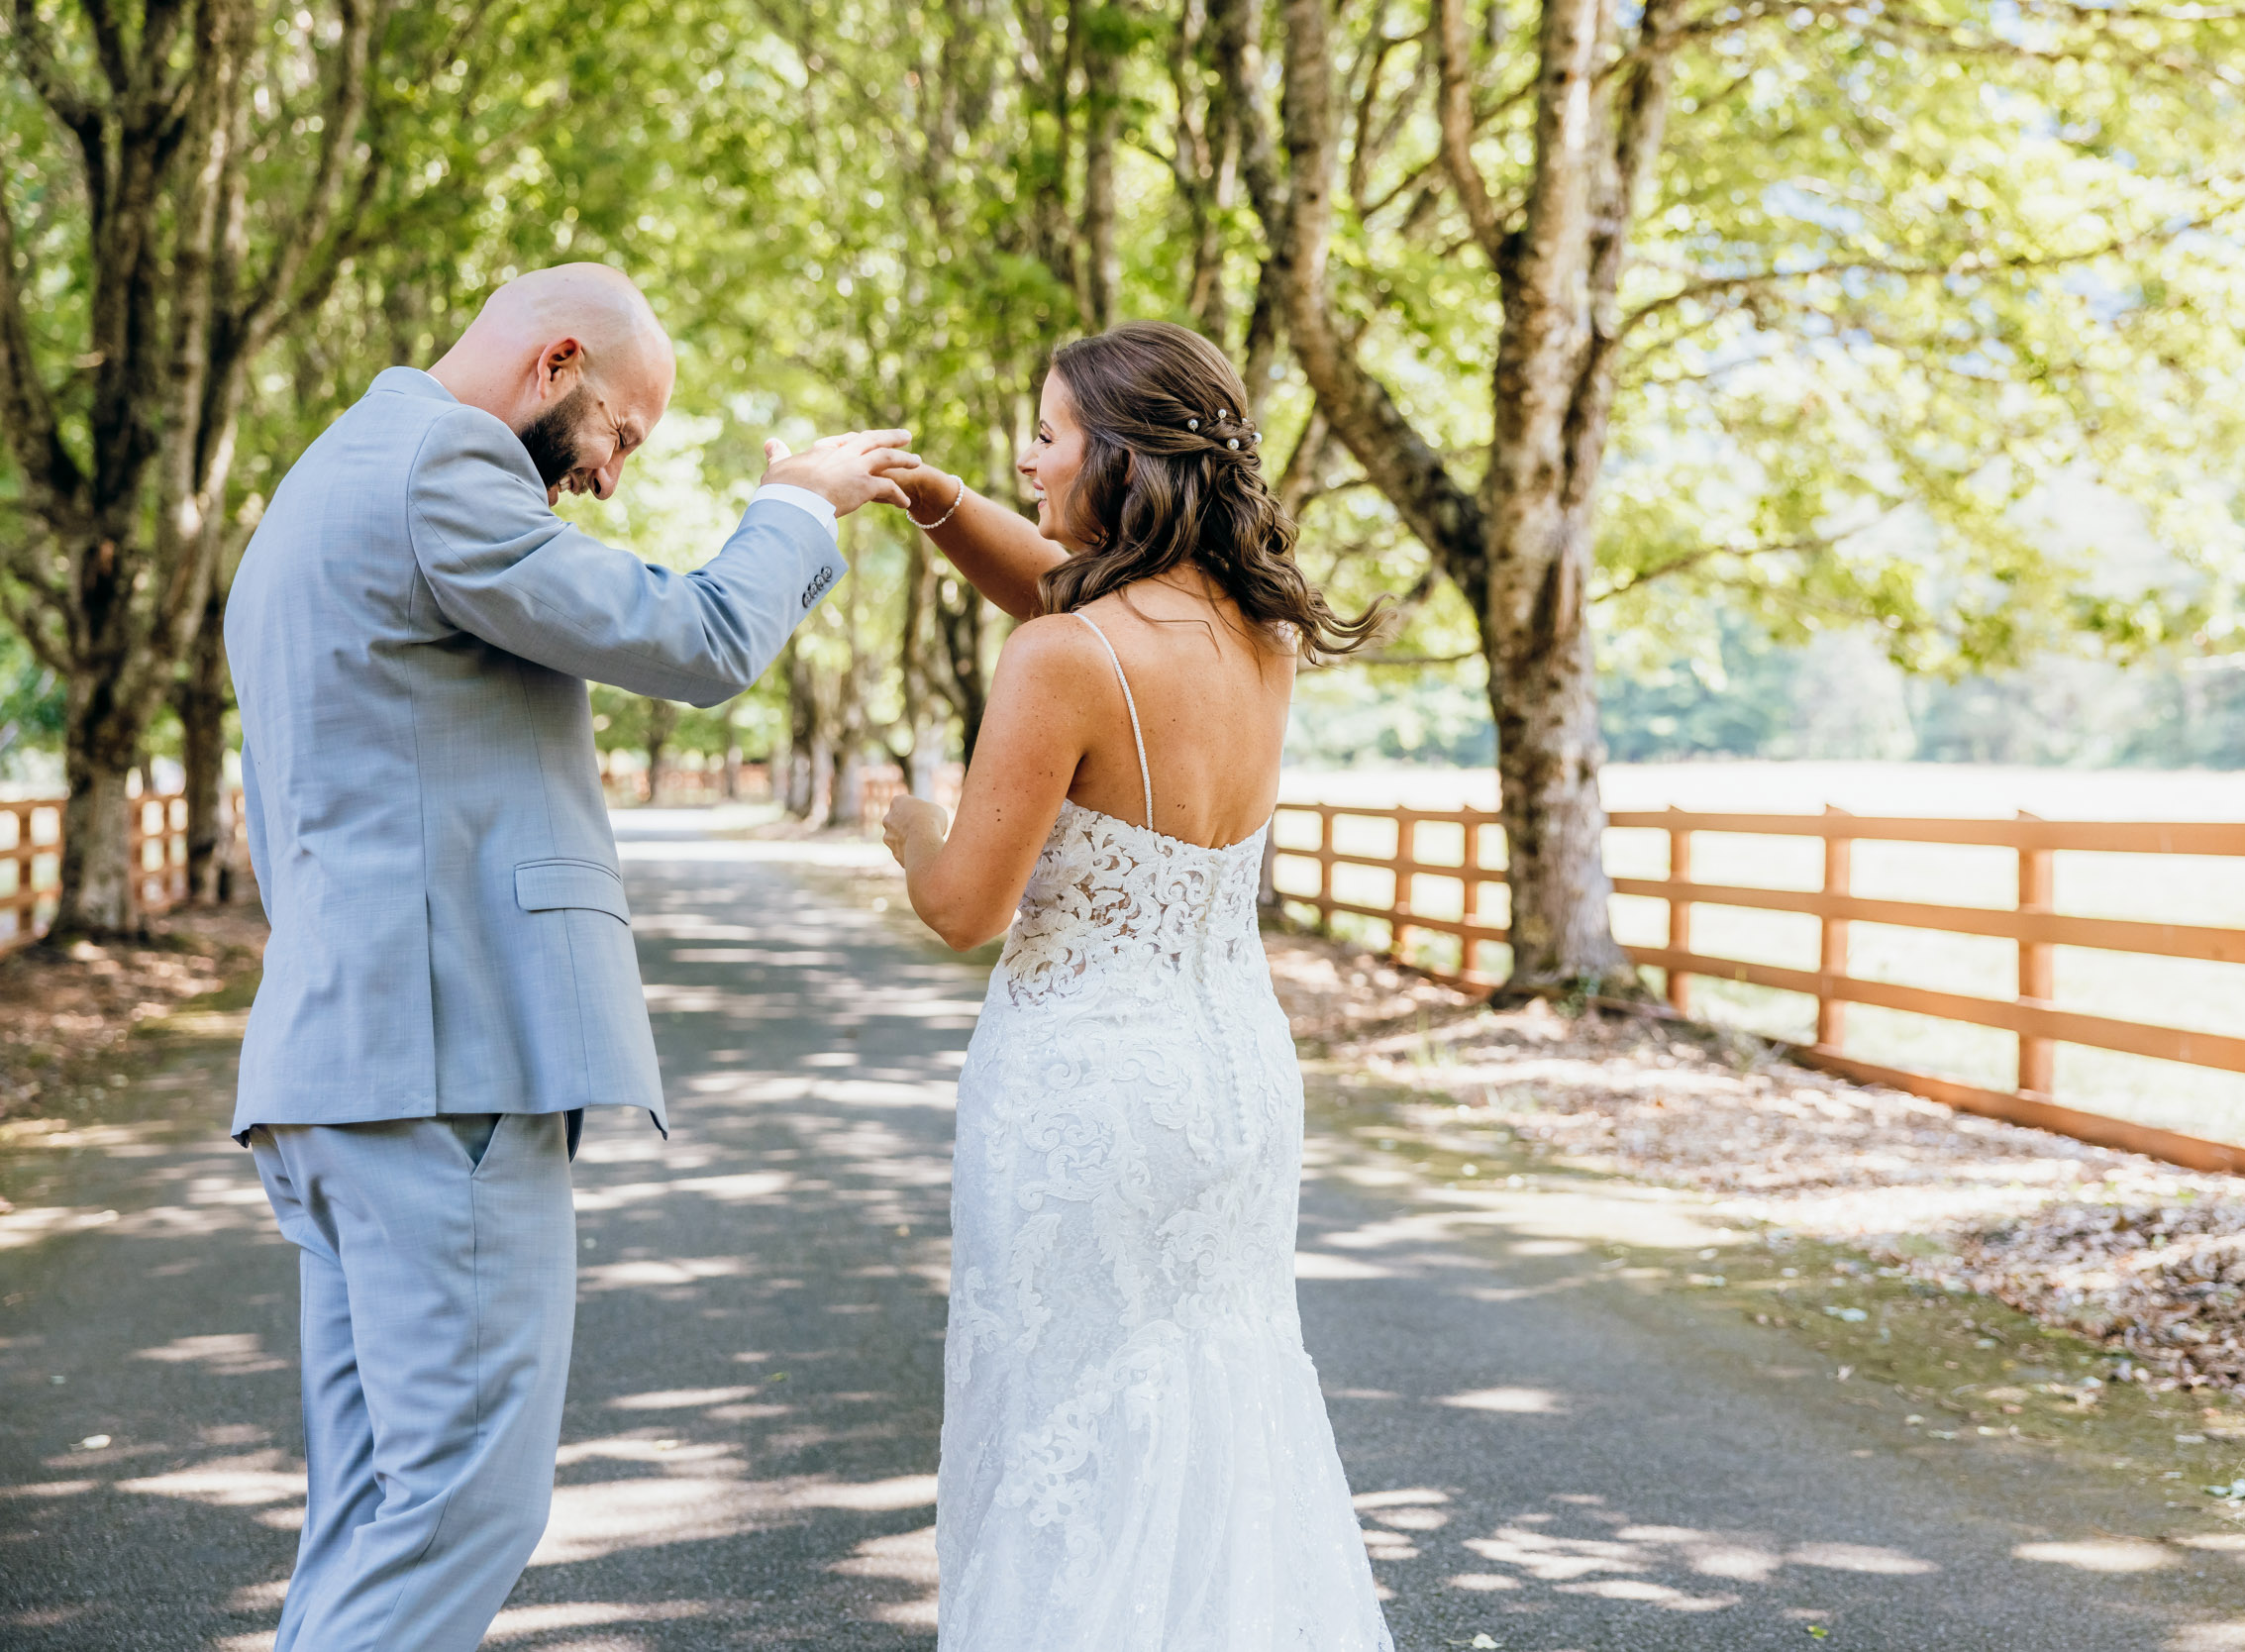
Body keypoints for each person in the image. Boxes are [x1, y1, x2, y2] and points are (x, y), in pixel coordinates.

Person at [222, 263, 961, 1652]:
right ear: (557, 361)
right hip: (443, 1072)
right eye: (622, 432)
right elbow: (698, 637)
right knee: (461, 1511)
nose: (613, 477)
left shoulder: (326, 473)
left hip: (337, 1072)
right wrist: (798, 501)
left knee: (377, 1512)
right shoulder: (441, 470)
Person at [878, 320, 1397, 1650]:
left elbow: (961, 911)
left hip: (1088, 1099)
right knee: (1216, 1407)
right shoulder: (1256, 637)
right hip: (1233, 1088)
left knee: (1067, 1422)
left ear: (1117, 458)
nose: (1026, 457)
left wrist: (908, 829)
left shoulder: (1067, 657)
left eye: (1046, 436)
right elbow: (1058, 585)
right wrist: (935, 500)